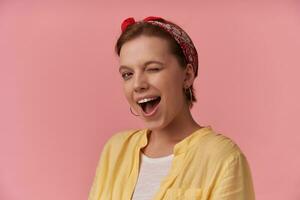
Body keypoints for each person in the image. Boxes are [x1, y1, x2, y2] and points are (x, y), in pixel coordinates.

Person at [88, 16, 255, 200]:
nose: (137, 84)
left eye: (153, 69)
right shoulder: (116, 150)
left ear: (187, 76)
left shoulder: (223, 158)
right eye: (127, 74)